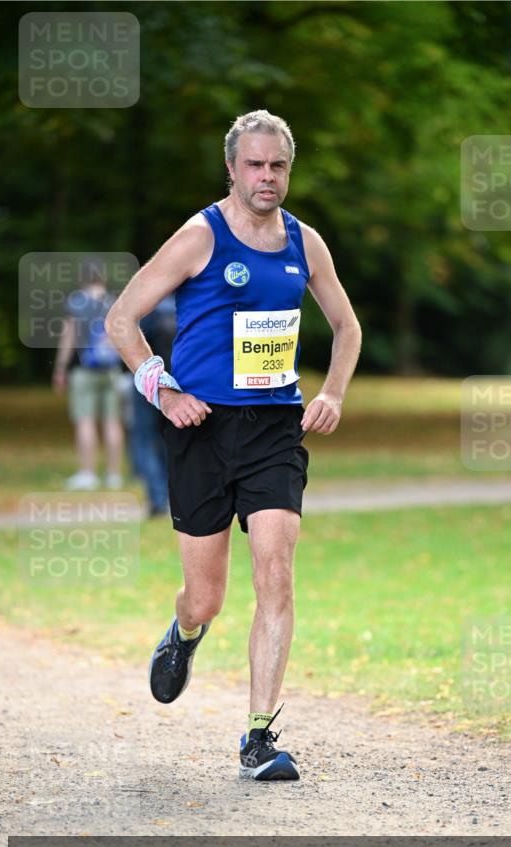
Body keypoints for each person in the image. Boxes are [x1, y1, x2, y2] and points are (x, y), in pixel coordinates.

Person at [105, 109, 361, 781]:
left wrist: (331, 392)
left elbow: (346, 326)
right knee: (206, 596)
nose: (266, 177)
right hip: (200, 429)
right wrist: (162, 391)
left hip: (275, 426)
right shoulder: (200, 236)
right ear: (231, 168)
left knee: (276, 570)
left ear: (288, 169)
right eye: (254, 164)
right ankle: (185, 631)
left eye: (277, 165)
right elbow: (122, 318)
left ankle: (258, 737)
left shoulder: (305, 244)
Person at [52, 261, 125, 490]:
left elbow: (68, 337)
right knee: (112, 421)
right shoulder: (112, 301)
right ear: (102, 277)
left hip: (84, 369)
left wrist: (61, 368)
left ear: (83, 278)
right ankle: (114, 475)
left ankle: (88, 473)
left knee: (85, 420)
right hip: (111, 370)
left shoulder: (76, 302)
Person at [130, 296, 176, 517]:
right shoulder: (182, 308)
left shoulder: (144, 310)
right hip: (177, 385)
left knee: (145, 441)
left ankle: (157, 499)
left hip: (147, 387)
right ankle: (174, 495)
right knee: (172, 441)